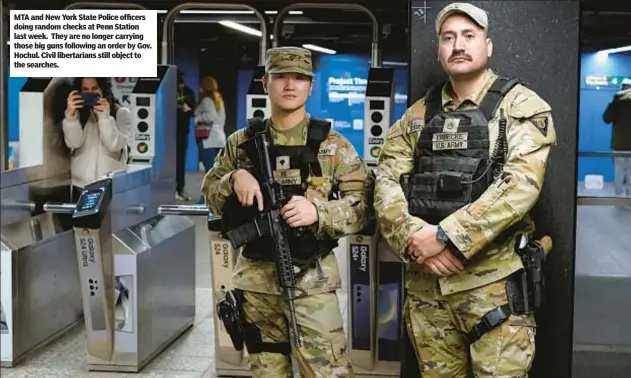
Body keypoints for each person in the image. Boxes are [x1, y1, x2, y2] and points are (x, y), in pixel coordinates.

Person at [373, 3, 557, 377]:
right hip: (429, 293)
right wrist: (415, 237)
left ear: (487, 45)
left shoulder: (520, 107)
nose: (458, 45)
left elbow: (520, 185)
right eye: (448, 38)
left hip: (493, 290)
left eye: (468, 36)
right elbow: (386, 182)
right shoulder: (417, 116)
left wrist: (444, 236)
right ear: (440, 50)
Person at [201, 46, 371, 377]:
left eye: (299, 78)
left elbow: (363, 206)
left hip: (311, 282)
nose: (289, 85)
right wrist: (235, 177)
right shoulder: (241, 143)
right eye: (280, 77)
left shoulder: (332, 144)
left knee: (328, 372)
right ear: (266, 84)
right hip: (256, 286)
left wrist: (319, 212)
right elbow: (209, 193)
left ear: (311, 86)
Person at [63, 77, 131, 201]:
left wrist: (104, 117)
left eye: (94, 88)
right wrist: (71, 116)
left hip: (111, 187)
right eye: (85, 89)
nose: (90, 93)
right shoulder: (77, 114)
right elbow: (74, 143)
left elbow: (114, 145)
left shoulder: (121, 113)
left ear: (103, 89)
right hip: (81, 186)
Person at [602, 78, 631, 203]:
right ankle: (629, 199)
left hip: (618, 145)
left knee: (619, 172)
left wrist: (612, 103)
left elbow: (606, 118)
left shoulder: (617, 102)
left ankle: (619, 200)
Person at [194, 75, 226, 173]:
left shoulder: (207, 100)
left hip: (208, 139)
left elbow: (211, 116)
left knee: (210, 171)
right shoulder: (218, 99)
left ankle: (213, 188)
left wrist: (198, 119)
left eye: (201, 86)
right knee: (216, 170)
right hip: (219, 138)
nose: (199, 89)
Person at [176, 71, 196, 201]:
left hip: (183, 131)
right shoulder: (167, 91)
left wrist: (187, 109)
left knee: (180, 161)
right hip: (167, 132)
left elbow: (193, 110)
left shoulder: (189, 92)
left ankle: (180, 188)